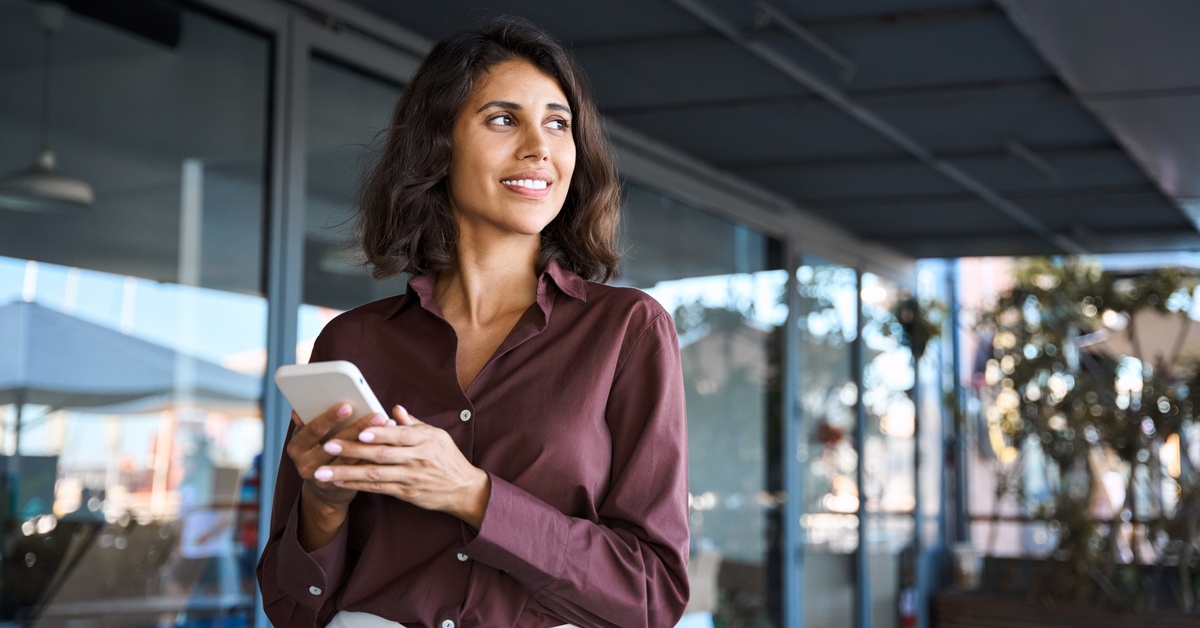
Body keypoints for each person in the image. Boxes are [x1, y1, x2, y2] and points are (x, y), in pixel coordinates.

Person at [257, 16, 690, 628]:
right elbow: (291, 609)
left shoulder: (628, 330)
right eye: (504, 119)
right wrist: (323, 504)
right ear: (439, 143)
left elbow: (651, 596)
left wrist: (471, 493)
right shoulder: (354, 341)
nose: (539, 147)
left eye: (558, 123)